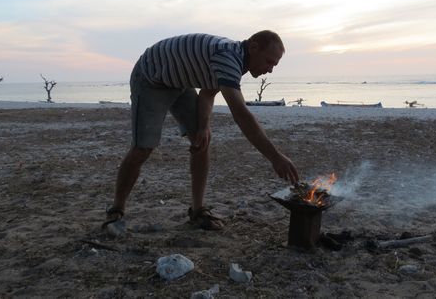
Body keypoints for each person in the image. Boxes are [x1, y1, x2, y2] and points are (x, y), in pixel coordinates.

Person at [103, 30, 300, 231]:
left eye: (274, 65)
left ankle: (197, 211)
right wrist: (275, 157)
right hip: (150, 77)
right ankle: (116, 209)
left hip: (179, 82)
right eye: (269, 62)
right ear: (253, 47)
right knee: (142, 148)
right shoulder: (227, 57)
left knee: (201, 141)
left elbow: (207, 93)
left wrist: (203, 127)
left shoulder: (238, 60)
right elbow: (241, 114)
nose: (270, 70)